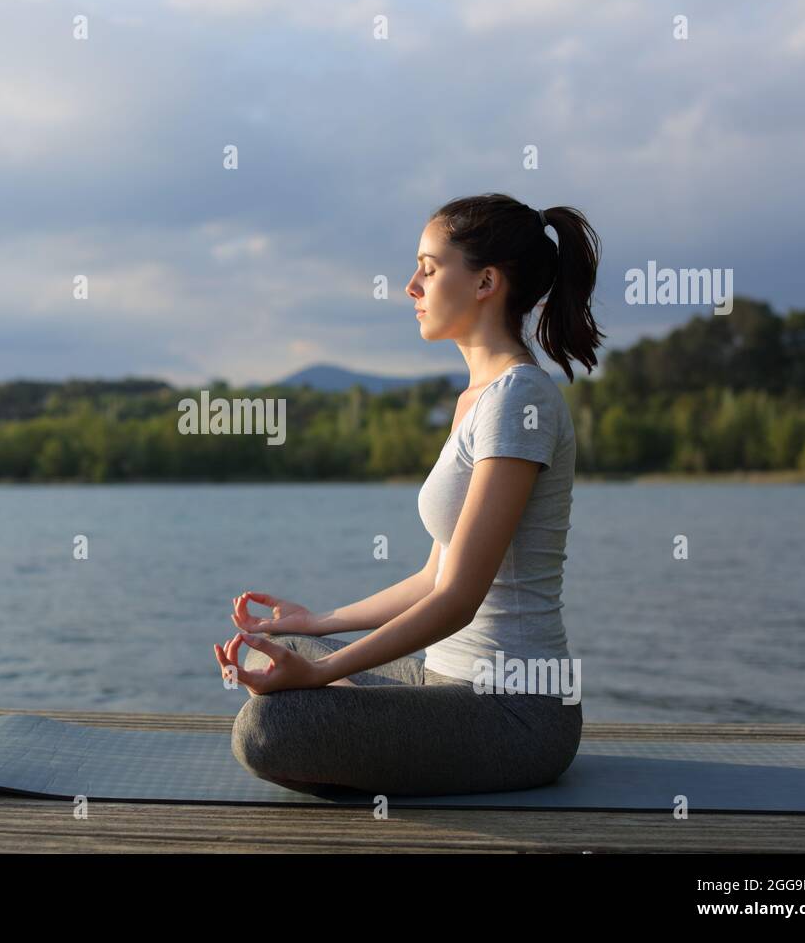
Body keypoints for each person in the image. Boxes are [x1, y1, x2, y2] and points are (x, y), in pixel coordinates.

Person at [213, 193, 605, 797]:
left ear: (485, 282)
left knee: (267, 728)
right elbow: (434, 576)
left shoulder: (519, 402)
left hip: (517, 712)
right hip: (443, 681)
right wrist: (318, 622)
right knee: (284, 645)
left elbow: (458, 600)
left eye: (428, 266)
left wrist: (321, 674)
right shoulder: (478, 401)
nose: (409, 286)